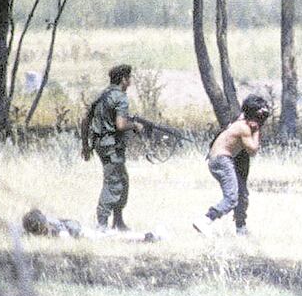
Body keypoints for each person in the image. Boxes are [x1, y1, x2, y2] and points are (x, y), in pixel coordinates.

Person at [193, 94, 271, 236]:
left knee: (241, 195)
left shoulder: (240, 123)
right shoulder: (244, 128)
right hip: (222, 161)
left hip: (221, 160)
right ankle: (205, 220)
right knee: (231, 198)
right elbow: (253, 150)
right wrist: (257, 130)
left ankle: (241, 229)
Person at [81, 64, 143, 231]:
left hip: (101, 145)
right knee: (114, 183)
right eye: (129, 78)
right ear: (123, 79)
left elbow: (85, 120)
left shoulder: (101, 95)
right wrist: (134, 126)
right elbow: (121, 124)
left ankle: (118, 220)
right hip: (112, 147)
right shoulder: (120, 97)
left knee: (122, 180)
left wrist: (85, 145)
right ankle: (102, 223)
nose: (130, 81)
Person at [21, 208, 159, 242]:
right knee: (113, 236)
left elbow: (66, 239)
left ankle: (146, 236)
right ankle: (146, 236)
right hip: (81, 232)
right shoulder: (47, 223)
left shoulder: (53, 224)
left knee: (114, 237)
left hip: (83, 234)